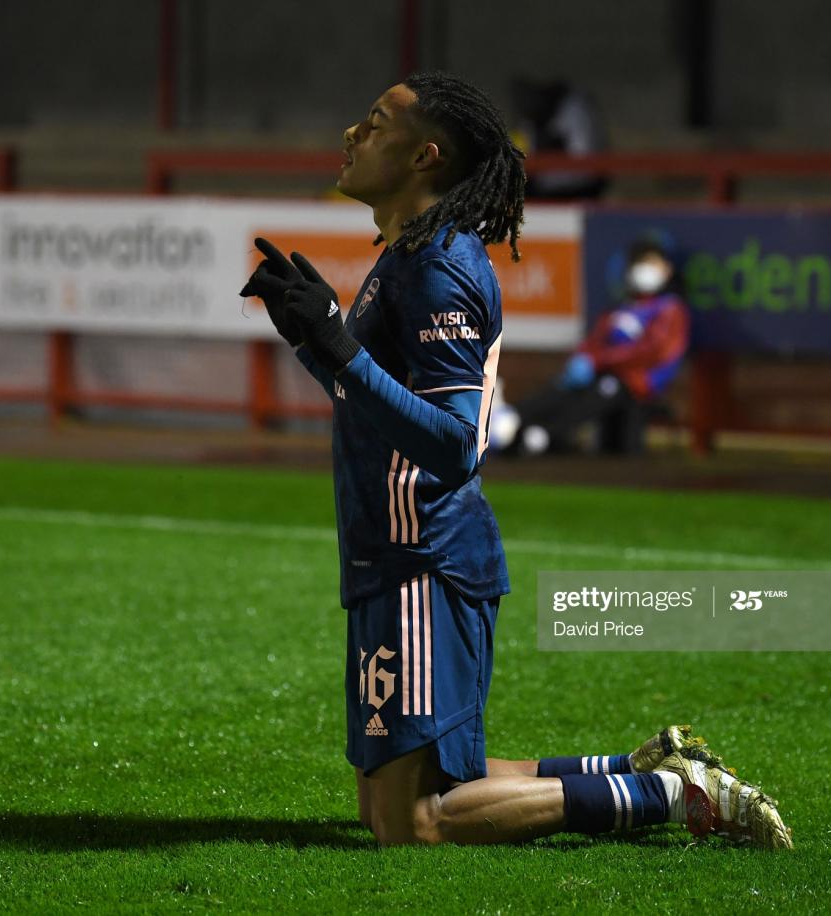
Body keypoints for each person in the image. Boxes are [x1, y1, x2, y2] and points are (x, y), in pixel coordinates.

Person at [240, 72, 790, 849]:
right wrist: (317, 337)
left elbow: (457, 443)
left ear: (425, 155)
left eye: (373, 123)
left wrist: (336, 348)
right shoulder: (409, 255)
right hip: (390, 555)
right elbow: (376, 397)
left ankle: (669, 794)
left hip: (423, 559)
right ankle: (636, 765)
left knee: (415, 823)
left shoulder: (438, 265)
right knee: (393, 803)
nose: (351, 136)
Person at [501, 232, 690, 456]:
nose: (644, 269)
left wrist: (599, 361)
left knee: (603, 391)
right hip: (607, 372)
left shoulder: (670, 309)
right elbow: (596, 340)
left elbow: (653, 351)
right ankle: (512, 418)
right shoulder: (623, 307)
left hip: (637, 382)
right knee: (566, 387)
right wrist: (584, 358)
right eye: (641, 262)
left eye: (652, 263)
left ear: (667, 269)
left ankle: (543, 435)